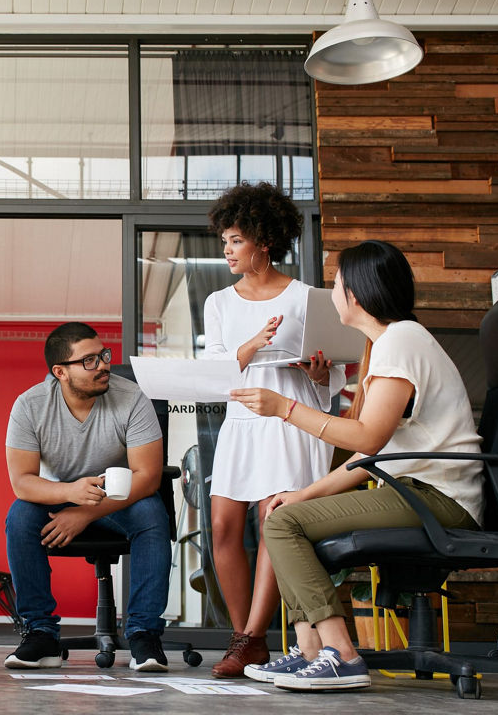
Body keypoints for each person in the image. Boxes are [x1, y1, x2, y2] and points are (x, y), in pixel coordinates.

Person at [229, 240, 484, 691]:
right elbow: (374, 455)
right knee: (282, 514)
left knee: (284, 526)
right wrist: (303, 494)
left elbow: (367, 438)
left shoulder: (400, 341)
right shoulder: (391, 343)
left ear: (357, 295)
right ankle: (311, 651)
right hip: (417, 489)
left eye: (337, 283)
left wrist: (284, 407)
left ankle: (341, 655)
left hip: (438, 498)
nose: (332, 292)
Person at [201, 182, 345, 678]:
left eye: (236, 240)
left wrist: (322, 373)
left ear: (263, 240)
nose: (227, 250)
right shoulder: (218, 303)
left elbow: (336, 374)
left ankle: (250, 639)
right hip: (241, 423)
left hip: (291, 419)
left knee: (272, 524)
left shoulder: (308, 299)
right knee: (221, 527)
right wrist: (251, 345)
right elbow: (215, 373)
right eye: (225, 241)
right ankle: (246, 638)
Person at [3, 322, 172, 672]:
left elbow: (148, 477)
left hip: (117, 500)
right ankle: (41, 633)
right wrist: (70, 495)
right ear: (60, 372)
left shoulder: (131, 398)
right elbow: (22, 482)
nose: (105, 365)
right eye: (91, 360)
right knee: (19, 517)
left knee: (151, 513)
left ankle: (144, 634)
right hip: (59, 495)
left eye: (104, 355)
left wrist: (84, 514)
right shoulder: (29, 406)